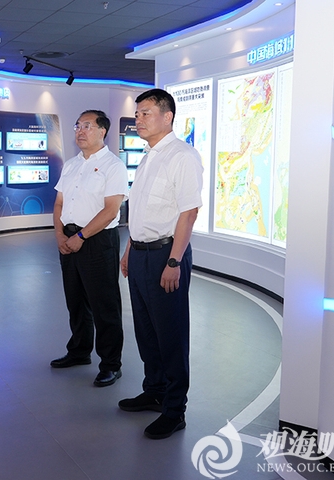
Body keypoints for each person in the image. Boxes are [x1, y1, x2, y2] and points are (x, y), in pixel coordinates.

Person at [118, 89, 203, 439]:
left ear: (167, 117)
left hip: (165, 256)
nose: (138, 119)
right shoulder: (149, 156)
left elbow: (189, 212)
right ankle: (154, 390)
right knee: (146, 330)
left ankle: (174, 409)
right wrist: (129, 249)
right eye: (137, 113)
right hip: (140, 254)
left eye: (146, 113)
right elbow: (140, 212)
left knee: (170, 334)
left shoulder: (182, 156)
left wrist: (174, 261)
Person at [50, 110, 128, 387]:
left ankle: (111, 364)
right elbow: (59, 203)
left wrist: (81, 236)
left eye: (87, 126)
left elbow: (110, 211)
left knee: (104, 304)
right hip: (69, 238)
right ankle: (79, 351)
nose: (80, 131)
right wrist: (60, 235)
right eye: (77, 126)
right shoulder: (71, 165)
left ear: (102, 131)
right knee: (76, 301)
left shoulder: (113, 166)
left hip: (97, 241)